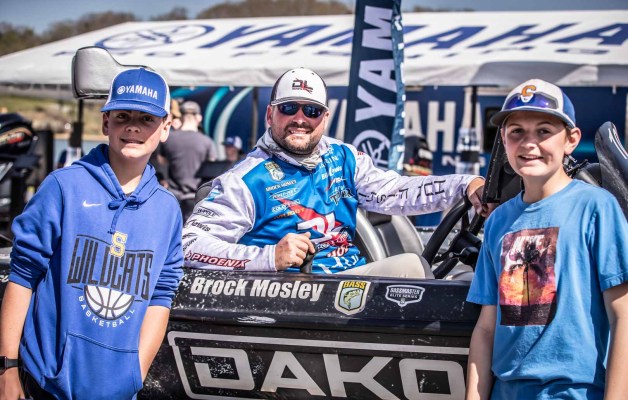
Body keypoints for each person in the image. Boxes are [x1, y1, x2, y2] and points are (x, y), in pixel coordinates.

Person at [182, 67, 491, 277]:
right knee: (411, 269)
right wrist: (270, 257)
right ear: (270, 114)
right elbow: (189, 246)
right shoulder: (243, 180)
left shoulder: (343, 157)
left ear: (325, 118)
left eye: (312, 110)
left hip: (350, 286)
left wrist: (465, 185)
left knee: (464, 278)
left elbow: (395, 193)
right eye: (289, 108)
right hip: (292, 296)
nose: (300, 119)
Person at [0, 67, 184, 400]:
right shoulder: (63, 186)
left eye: (146, 119)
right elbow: (23, 275)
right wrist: (7, 367)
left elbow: (161, 295)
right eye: (122, 116)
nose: (133, 126)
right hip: (43, 384)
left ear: (165, 128)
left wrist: (134, 374)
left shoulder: (168, 209)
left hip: (117, 391)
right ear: (105, 123)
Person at [465, 79, 628, 399]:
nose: (529, 143)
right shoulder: (498, 221)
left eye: (543, 131)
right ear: (503, 139)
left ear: (571, 139)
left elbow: (623, 314)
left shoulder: (596, 207)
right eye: (517, 132)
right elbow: (485, 328)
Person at [159, 100, 217, 220]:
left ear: (181, 117)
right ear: (199, 118)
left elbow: (161, 162)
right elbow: (212, 169)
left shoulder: (168, 139)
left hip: (172, 197)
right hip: (196, 199)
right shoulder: (207, 142)